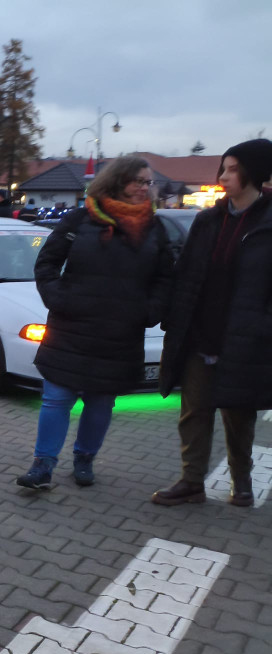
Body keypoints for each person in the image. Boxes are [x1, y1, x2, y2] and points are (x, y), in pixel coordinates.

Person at [16, 155, 175, 490]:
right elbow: (47, 263)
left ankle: (84, 459)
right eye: (139, 181)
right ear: (118, 180)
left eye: (149, 183)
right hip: (71, 326)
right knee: (56, 398)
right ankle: (42, 465)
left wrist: (150, 310)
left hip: (120, 330)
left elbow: (165, 277)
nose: (145, 189)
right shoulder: (81, 219)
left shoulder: (154, 228)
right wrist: (58, 298)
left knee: (101, 401)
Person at [152, 139, 272, 507]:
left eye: (233, 169)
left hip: (244, 337)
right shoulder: (208, 220)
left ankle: (242, 481)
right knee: (194, 411)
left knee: (239, 415)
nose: (224, 176)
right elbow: (186, 274)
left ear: (255, 172)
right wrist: (175, 318)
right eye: (223, 168)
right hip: (200, 333)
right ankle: (191, 481)